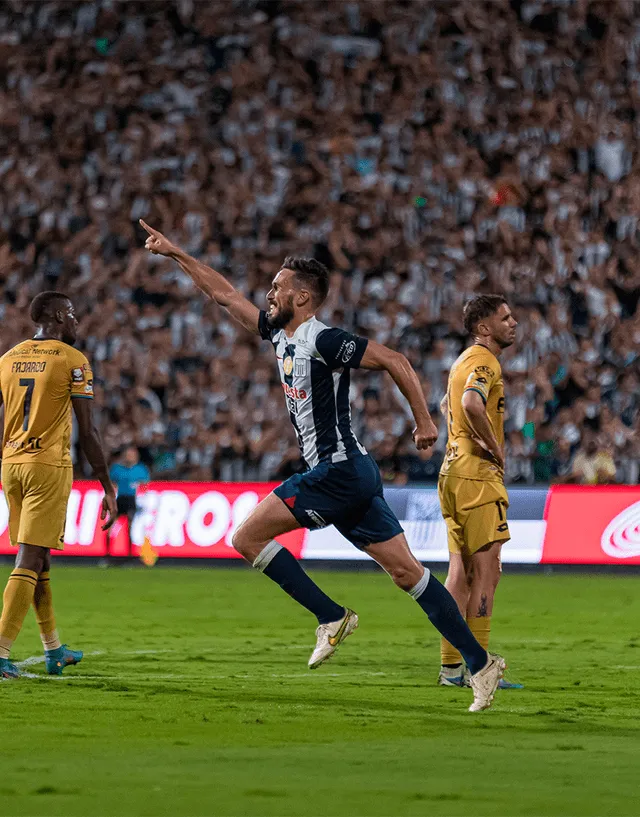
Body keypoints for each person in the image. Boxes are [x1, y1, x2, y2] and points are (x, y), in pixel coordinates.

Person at [141, 220, 506, 713]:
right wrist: (176, 253)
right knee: (409, 575)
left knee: (245, 538)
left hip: (336, 472)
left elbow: (396, 360)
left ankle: (332, 617)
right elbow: (224, 295)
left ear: (305, 298)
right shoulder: (278, 334)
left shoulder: (324, 340)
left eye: (279, 287)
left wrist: (424, 421)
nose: (269, 293)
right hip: (351, 474)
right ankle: (480, 665)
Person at [0, 292, 117, 678]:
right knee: (29, 560)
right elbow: (89, 432)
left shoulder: (8, 358)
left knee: (39, 558)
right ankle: (0, 653)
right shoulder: (73, 360)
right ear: (56, 317)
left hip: (12, 464)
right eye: (72, 314)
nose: (77, 322)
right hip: (47, 467)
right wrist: (106, 485)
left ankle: (53, 650)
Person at [437, 295, 522, 690]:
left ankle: (451, 668)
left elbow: (446, 405)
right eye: (505, 318)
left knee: (460, 573)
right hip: (477, 477)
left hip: (451, 473)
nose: (513, 322)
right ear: (484, 328)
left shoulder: (461, 361)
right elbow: (471, 404)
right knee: (488, 573)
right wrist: (494, 446)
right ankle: (481, 668)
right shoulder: (485, 361)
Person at [109, 446, 150, 556]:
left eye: (131, 455)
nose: (129, 457)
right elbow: (111, 483)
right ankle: (108, 553)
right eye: (127, 454)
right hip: (119, 499)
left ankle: (130, 554)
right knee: (111, 526)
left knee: (130, 527)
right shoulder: (117, 468)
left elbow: (146, 485)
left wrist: (142, 494)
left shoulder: (141, 469)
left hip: (132, 500)